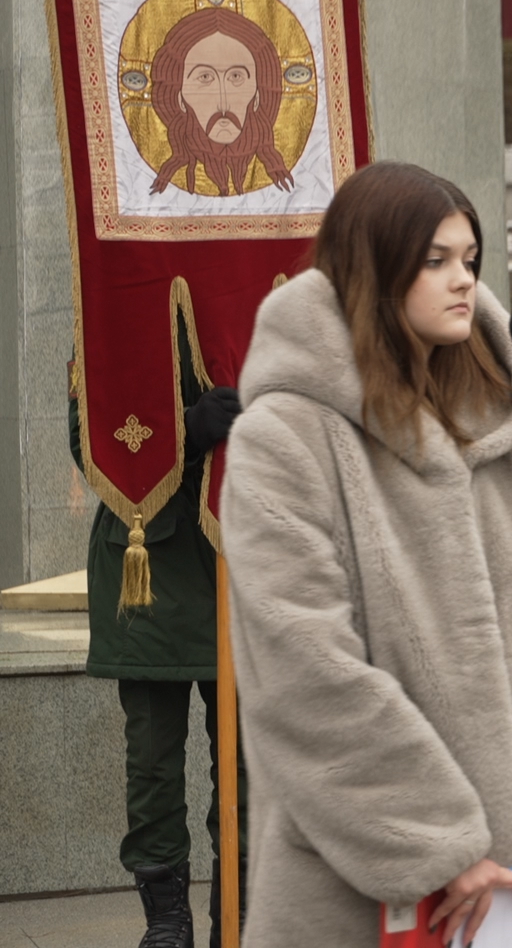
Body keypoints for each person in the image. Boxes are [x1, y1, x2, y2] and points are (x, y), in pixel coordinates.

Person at [221, 162, 512, 945]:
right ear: (373, 270)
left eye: (470, 259)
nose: (463, 281)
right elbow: (303, 671)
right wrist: (436, 843)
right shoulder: (283, 437)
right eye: (435, 260)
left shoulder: (507, 418)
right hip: (357, 892)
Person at [68, 336, 246, 948]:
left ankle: (240, 915)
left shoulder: (253, 291)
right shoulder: (112, 305)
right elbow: (87, 441)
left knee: (247, 768)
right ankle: (167, 920)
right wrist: (183, 433)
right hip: (148, 567)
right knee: (152, 767)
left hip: (240, 559)